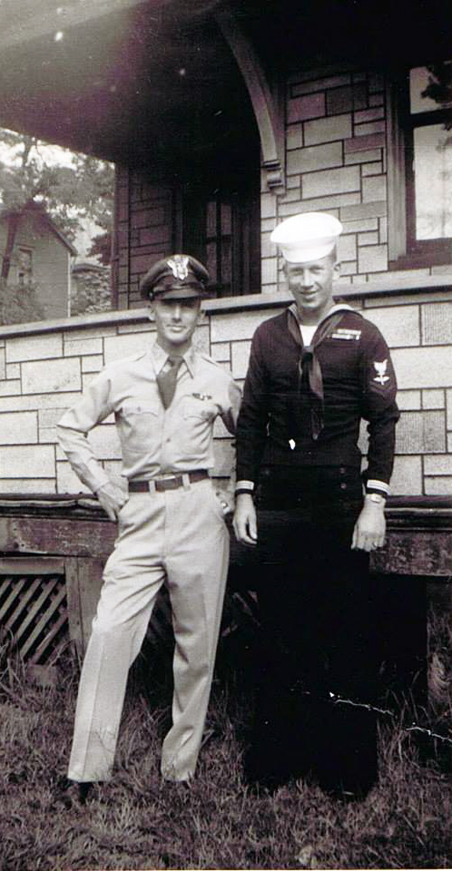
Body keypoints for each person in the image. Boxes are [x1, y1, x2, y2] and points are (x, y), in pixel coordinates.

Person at [57, 253, 241, 802]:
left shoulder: (216, 378)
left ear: (200, 312)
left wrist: (235, 489)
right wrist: (105, 487)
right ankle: (86, 770)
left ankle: (179, 764)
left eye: (189, 305)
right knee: (110, 634)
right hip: (138, 517)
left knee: (197, 643)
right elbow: (70, 429)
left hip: (198, 516)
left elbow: (253, 437)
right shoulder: (120, 375)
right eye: (168, 305)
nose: (179, 316)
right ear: (151, 310)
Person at [233, 212, 400, 800]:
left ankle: (346, 770)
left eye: (316, 269)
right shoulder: (268, 336)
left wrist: (374, 502)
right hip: (279, 498)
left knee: (344, 629)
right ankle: (276, 760)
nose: (306, 281)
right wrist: (245, 492)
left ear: (334, 268)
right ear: (286, 272)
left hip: (338, 500)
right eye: (296, 270)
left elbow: (383, 423)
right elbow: (251, 418)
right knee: (281, 625)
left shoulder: (363, 334)